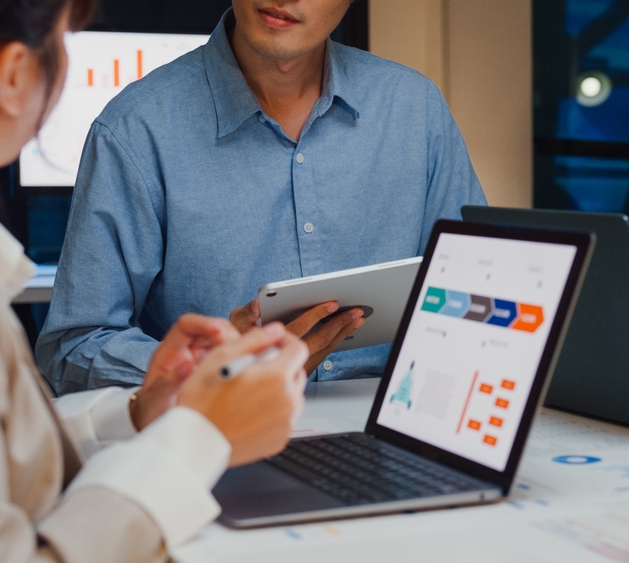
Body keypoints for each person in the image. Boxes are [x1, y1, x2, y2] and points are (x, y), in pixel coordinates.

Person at [0, 0, 317, 558]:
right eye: (67, 38)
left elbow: (2, 449)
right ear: (15, 74)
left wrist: (139, 413)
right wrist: (198, 438)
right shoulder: (134, 125)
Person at [35, 0, 487, 394]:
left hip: (393, 430)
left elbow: (480, 295)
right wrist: (207, 365)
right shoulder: (136, 129)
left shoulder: (415, 110)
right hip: (216, 437)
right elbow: (73, 346)